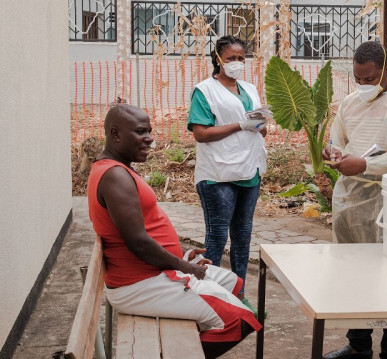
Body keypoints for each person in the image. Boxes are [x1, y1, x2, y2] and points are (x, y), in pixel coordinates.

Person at [87, 104, 261, 358]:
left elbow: (144, 233)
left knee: (234, 283)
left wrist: (181, 257)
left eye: (150, 131)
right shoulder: (115, 176)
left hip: (153, 272)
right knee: (243, 320)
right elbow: (138, 242)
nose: (150, 139)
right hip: (141, 284)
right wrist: (183, 266)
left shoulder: (117, 169)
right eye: (140, 132)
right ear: (115, 134)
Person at [321, 41, 387, 359]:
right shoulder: (350, 104)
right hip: (351, 200)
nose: (363, 86)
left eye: (369, 79)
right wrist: (334, 153)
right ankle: (358, 344)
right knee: (353, 274)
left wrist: (366, 164)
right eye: (358, 79)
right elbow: (336, 140)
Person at [187, 35, 269, 316]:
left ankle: (240, 295)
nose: (237, 63)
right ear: (218, 59)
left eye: (241, 58)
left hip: (250, 170)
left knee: (243, 237)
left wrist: (260, 123)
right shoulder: (205, 90)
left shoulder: (249, 88)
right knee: (217, 237)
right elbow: (201, 133)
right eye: (231, 58)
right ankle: (212, 297)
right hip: (218, 174)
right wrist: (240, 124)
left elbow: (259, 128)